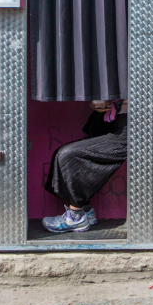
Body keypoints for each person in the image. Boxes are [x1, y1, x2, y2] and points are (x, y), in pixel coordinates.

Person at [41, 99, 127, 233]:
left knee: (68, 155)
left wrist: (116, 103)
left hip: (128, 133)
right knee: (61, 153)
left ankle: (76, 217)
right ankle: (85, 210)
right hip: (116, 127)